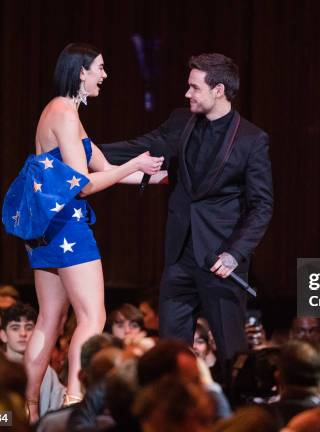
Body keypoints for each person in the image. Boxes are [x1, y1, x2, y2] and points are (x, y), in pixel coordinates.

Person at [1, 42, 164, 422]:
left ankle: (25, 409)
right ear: (81, 72)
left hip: (45, 230)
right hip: (66, 227)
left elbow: (104, 166)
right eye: (100, 69)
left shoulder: (59, 111)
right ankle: (76, 403)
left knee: (50, 318)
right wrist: (134, 164)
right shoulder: (65, 113)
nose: (104, 76)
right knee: (93, 317)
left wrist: (154, 177)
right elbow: (85, 185)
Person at [101, 53, 273, 372]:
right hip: (179, 257)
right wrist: (83, 149)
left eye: (194, 87)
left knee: (230, 354)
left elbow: (261, 205)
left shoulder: (252, 139)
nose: (187, 93)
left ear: (218, 89)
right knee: (171, 352)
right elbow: (141, 145)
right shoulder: (181, 120)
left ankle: (233, 416)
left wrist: (235, 253)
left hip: (221, 261)